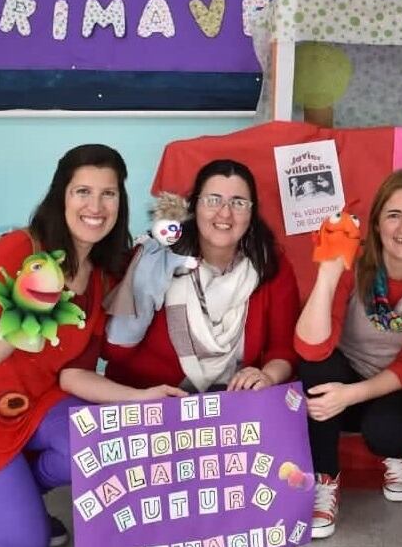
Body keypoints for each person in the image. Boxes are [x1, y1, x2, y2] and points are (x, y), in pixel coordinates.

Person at [0, 144, 183, 547]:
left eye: (109, 193)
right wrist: (18, 325)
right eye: (82, 191)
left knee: (99, 442)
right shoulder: (21, 249)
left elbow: (70, 378)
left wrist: (140, 398)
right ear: (60, 196)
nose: (95, 206)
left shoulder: (101, 278)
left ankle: (15, 491)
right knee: (25, 546)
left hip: (38, 406)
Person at [295, 169, 402, 539]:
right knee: (315, 366)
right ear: (377, 223)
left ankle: (396, 457)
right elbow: (310, 346)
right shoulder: (356, 265)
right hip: (348, 377)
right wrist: (328, 274)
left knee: (390, 430)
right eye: (393, 215)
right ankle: (325, 480)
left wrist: (348, 396)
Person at [105, 159, 300, 393]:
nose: (225, 213)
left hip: (233, 403)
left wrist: (267, 376)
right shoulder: (156, 258)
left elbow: (282, 350)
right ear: (194, 206)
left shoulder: (270, 264)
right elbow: (114, 352)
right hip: (151, 400)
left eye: (238, 203)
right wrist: (142, 293)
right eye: (213, 200)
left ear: (252, 212)